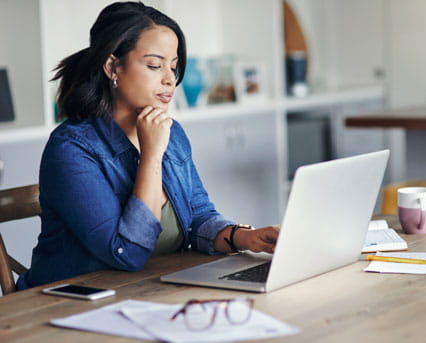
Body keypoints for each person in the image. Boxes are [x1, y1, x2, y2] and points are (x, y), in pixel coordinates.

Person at [17, 1, 279, 290]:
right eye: (154, 65)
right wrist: (151, 156)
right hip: (66, 305)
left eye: (174, 66)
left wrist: (244, 237)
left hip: (149, 289)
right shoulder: (72, 148)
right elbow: (126, 252)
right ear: (112, 66)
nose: (169, 79)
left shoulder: (171, 132)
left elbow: (199, 217)